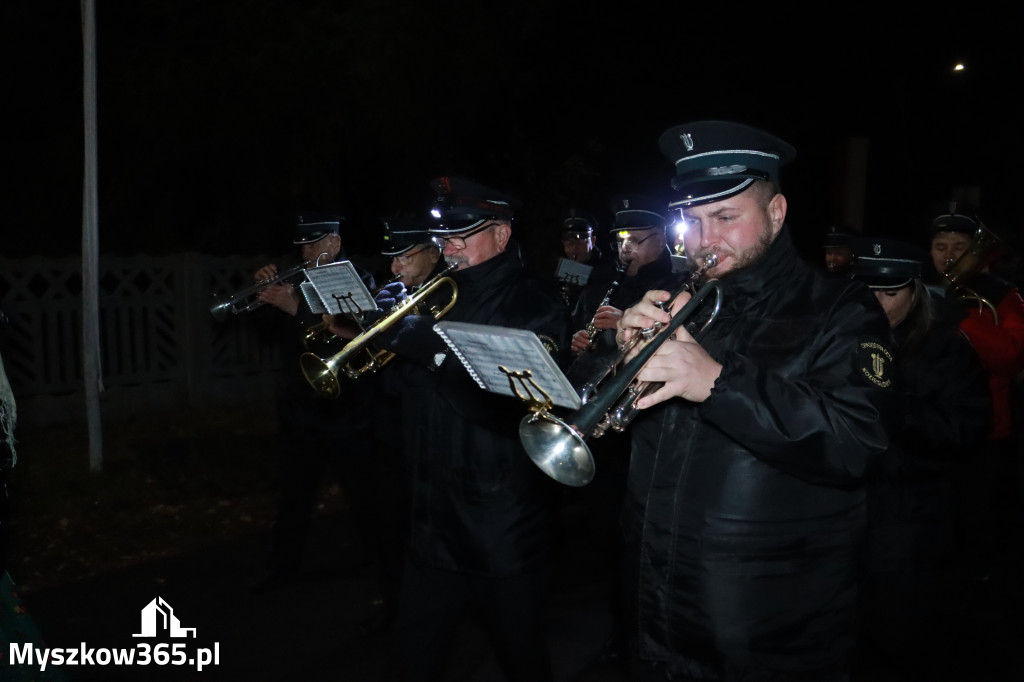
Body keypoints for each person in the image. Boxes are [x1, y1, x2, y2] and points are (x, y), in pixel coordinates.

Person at [614, 120, 896, 681]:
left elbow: (858, 444)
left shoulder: (842, 308)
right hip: (658, 604)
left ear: (776, 212)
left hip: (772, 625)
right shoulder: (679, 301)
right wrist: (618, 357)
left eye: (724, 218)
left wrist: (717, 382)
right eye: (690, 222)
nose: (703, 240)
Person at [373, 177, 572, 682]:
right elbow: (401, 395)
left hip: (497, 524)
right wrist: (384, 343)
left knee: (522, 658)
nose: (450, 249)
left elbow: (516, 409)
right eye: (444, 240)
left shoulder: (534, 301)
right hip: (431, 520)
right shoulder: (436, 295)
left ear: (502, 236)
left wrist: (434, 350)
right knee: (410, 657)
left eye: (463, 237)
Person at [850, 237, 990, 680]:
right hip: (841, 522)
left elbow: (965, 430)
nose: (877, 302)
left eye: (890, 293)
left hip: (909, 527)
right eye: (868, 291)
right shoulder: (839, 337)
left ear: (915, 291)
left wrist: (899, 407)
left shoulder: (946, 348)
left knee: (900, 642)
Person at [248, 214, 386, 600]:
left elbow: (362, 331)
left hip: (346, 403)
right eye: (303, 246)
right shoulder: (296, 279)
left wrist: (297, 309)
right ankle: (282, 566)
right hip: (299, 402)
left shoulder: (359, 280)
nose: (306, 253)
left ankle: (379, 562)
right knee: (293, 491)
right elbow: (267, 336)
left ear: (335, 244)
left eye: (314, 245)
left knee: (362, 490)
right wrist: (265, 298)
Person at [926, 200, 1024, 582]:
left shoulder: (1004, 297)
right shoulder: (920, 289)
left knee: (975, 518)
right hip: (931, 423)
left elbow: (1012, 358)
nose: (949, 256)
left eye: (959, 247)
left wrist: (961, 317)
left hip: (985, 428)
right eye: (940, 247)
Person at [554, 209, 612, 309]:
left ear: (593, 241)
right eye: (568, 240)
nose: (574, 247)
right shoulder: (559, 266)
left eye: (582, 238)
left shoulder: (607, 268)